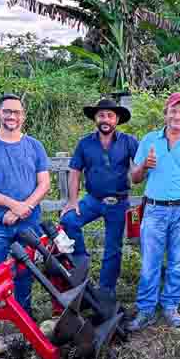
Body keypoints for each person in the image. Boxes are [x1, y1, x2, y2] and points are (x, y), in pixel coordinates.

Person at [126, 92, 180, 331]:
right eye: (173, 111)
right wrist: (144, 166)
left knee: (178, 262)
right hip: (155, 210)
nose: (177, 116)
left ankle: (171, 307)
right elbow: (135, 178)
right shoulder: (150, 140)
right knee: (150, 262)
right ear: (165, 113)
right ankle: (146, 310)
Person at [0, 93, 50, 323]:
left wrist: (23, 208)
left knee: (26, 272)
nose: (11, 116)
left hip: (28, 221)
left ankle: (23, 320)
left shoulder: (34, 146)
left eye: (16, 112)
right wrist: (13, 206)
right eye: (7, 111)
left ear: (23, 116)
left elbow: (44, 183)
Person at [60, 98, 138, 297]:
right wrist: (72, 200)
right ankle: (81, 263)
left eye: (110, 115)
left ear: (117, 119)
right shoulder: (85, 143)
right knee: (69, 219)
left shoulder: (129, 142)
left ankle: (106, 291)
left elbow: (139, 168)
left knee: (113, 248)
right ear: (95, 118)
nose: (106, 119)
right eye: (101, 115)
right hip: (92, 200)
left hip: (118, 203)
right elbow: (75, 171)